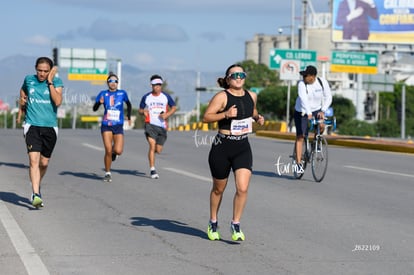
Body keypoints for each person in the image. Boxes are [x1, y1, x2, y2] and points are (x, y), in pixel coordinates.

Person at [202, 64, 264, 241]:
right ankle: (213, 221)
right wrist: (226, 114)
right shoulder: (222, 96)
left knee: (242, 188)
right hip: (222, 146)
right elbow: (206, 117)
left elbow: (251, 111)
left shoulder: (252, 95)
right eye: (234, 75)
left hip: (242, 146)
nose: (239, 77)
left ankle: (235, 224)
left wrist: (257, 117)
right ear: (228, 78)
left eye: (241, 74)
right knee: (218, 189)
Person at [19, 57, 63, 208]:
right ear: (35, 69)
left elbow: (57, 101)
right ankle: (35, 194)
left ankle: (38, 183)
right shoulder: (29, 79)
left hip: (50, 127)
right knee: (33, 161)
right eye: (39, 70)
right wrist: (22, 100)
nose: (42, 74)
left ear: (50, 71)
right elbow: (23, 90)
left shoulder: (56, 82)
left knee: (44, 163)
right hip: (32, 125)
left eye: (45, 71)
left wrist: (50, 81)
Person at [93, 73, 132, 182]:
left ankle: (115, 154)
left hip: (118, 125)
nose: (113, 83)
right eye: (111, 81)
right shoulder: (103, 94)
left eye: (115, 81)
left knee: (118, 150)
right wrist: (99, 103)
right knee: (108, 149)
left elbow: (129, 104)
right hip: (106, 125)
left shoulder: (122, 93)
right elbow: (94, 109)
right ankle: (108, 172)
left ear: (117, 83)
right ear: (107, 83)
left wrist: (128, 116)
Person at [294, 65, 332, 172]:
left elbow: (328, 97)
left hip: (317, 109)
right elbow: (303, 98)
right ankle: (298, 163)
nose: (304, 77)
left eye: (306, 75)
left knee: (321, 125)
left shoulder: (322, 82)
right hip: (302, 111)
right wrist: (309, 113)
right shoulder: (301, 84)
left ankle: (316, 142)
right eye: (303, 75)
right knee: (301, 136)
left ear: (313, 76)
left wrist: (323, 110)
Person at [138, 74, 177, 179]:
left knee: (158, 150)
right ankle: (152, 169)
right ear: (151, 86)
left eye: (159, 85)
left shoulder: (166, 96)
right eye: (155, 85)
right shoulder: (146, 97)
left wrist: (167, 115)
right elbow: (140, 109)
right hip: (150, 124)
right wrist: (144, 112)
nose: (157, 87)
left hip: (162, 126)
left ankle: (152, 155)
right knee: (152, 145)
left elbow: (174, 107)